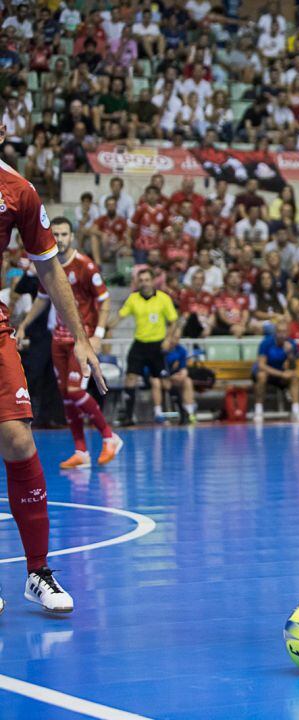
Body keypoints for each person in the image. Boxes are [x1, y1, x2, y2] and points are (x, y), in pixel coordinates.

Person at [0, 123, 108, 614]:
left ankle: (38, 572)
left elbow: (48, 268)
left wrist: (82, 338)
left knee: (19, 438)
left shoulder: (18, 191)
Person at [15, 218, 121, 469]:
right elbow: (42, 299)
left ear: (72, 237)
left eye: (64, 234)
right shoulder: (48, 266)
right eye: (56, 234)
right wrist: (23, 325)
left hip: (80, 341)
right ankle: (81, 451)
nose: (60, 239)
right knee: (66, 396)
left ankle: (109, 437)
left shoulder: (86, 266)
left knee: (75, 391)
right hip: (58, 338)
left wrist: (97, 334)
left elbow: (104, 302)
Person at [118, 268, 179, 425]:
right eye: (141, 280)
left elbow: (173, 321)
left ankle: (182, 413)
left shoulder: (163, 299)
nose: (144, 283)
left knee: (165, 380)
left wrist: (168, 339)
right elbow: (120, 316)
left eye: (147, 280)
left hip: (158, 345)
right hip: (140, 344)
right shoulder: (133, 299)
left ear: (152, 281)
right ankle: (128, 417)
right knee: (130, 377)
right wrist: (104, 328)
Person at [253, 319, 299, 423]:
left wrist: (290, 354)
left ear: (288, 332)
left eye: (285, 331)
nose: (282, 334)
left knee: (295, 376)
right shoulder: (266, 343)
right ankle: (258, 411)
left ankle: (296, 411)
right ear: (275, 332)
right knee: (261, 376)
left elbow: (293, 366)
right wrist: (281, 374)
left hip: (282, 374)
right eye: (279, 331)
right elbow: (261, 365)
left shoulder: (291, 343)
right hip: (268, 373)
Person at [163, 342, 198, 425]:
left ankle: (189, 413)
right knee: (167, 384)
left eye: (177, 338)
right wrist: (170, 375)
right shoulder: (161, 351)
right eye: (174, 338)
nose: (175, 341)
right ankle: (169, 415)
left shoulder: (181, 350)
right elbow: (159, 369)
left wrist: (183, 373)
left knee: (187, 381)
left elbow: (183, 367)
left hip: (177, 377)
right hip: (164, 377)